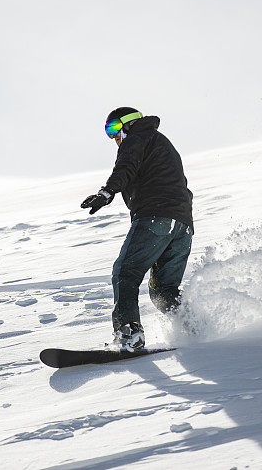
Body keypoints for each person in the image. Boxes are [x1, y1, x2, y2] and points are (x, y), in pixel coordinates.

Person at [81, 107, 194, 350]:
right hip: (182, 227)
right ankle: (195, 327)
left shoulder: (137, 138)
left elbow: (126, 168)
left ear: (128, 123)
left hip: (155, 219)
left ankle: (129, 335)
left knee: (125, 273)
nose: (113, 138)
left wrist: (106, 192)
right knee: (163, 291)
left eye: (113, 129)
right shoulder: (163, 144)